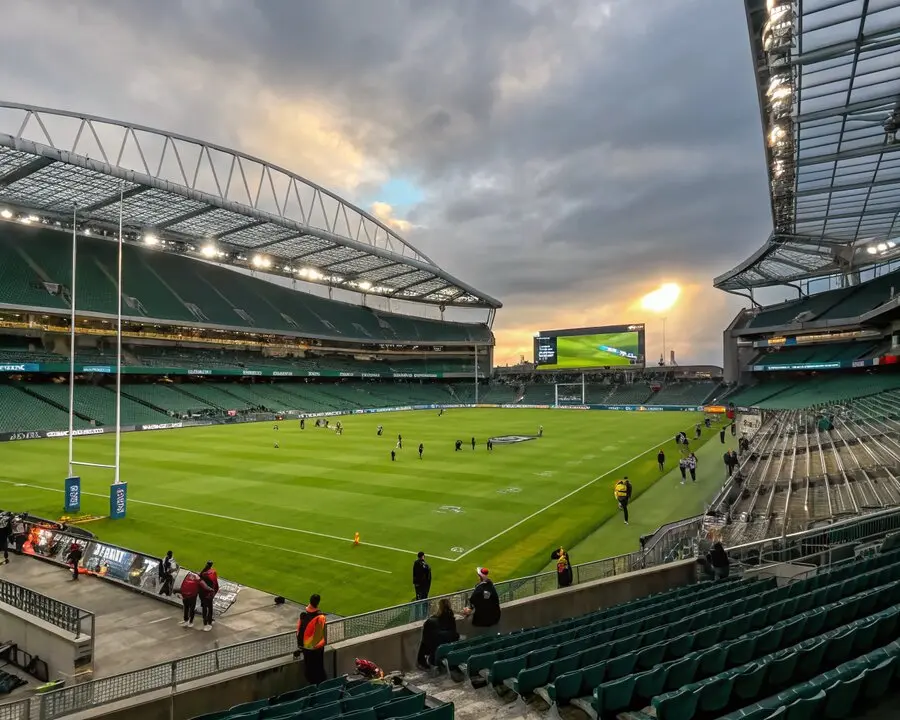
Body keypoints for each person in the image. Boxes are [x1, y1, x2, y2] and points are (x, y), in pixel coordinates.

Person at [416, 598, 458, 670]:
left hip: (434, 657)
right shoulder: (451, 619)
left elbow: (425, 642)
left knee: (424, 643)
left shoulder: (431, 622)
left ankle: (422, 663)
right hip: (447, 653)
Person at [297, 594, 327, 685]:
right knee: (318, 671)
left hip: (305, 648)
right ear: (318, 603)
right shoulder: (320, 617)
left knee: (309, 672)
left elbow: (299, 631)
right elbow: (318, 636)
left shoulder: (303, 615)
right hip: (315, 649)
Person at [463, 567, 501, 634]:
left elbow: (473, 602)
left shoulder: (479, 590)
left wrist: (468, 610)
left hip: (482, 621)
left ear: (479, 576)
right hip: (495, 618)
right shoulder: (491, 586)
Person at [198, 561, 219, 631]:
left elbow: (200, 576)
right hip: (209, 594)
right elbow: (216, 584)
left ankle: (206, 622)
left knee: (205, 608)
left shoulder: (203, 575)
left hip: (203, 594)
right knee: (210, 607)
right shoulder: (213, 573)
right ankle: (209, 621)